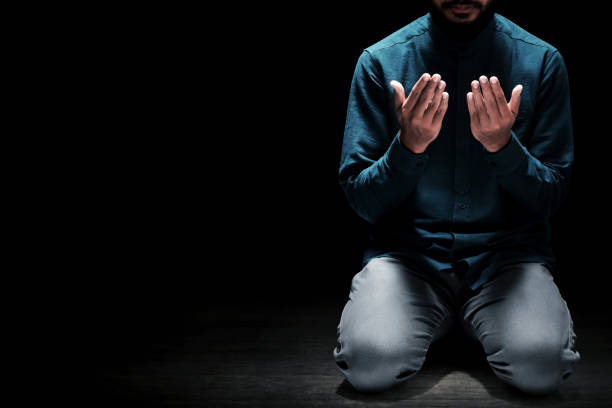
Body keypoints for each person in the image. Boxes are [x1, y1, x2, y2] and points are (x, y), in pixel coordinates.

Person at [333, 0, 582, 396]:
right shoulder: (380, 61)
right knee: (369, 364)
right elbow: (363, 202)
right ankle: (446, 325)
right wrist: (408, 148)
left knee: (541, 368)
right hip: (408, 261)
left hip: (507, 262)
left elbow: (552, 198)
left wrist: (504, 148)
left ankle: (469, 326)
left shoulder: (542, 61)